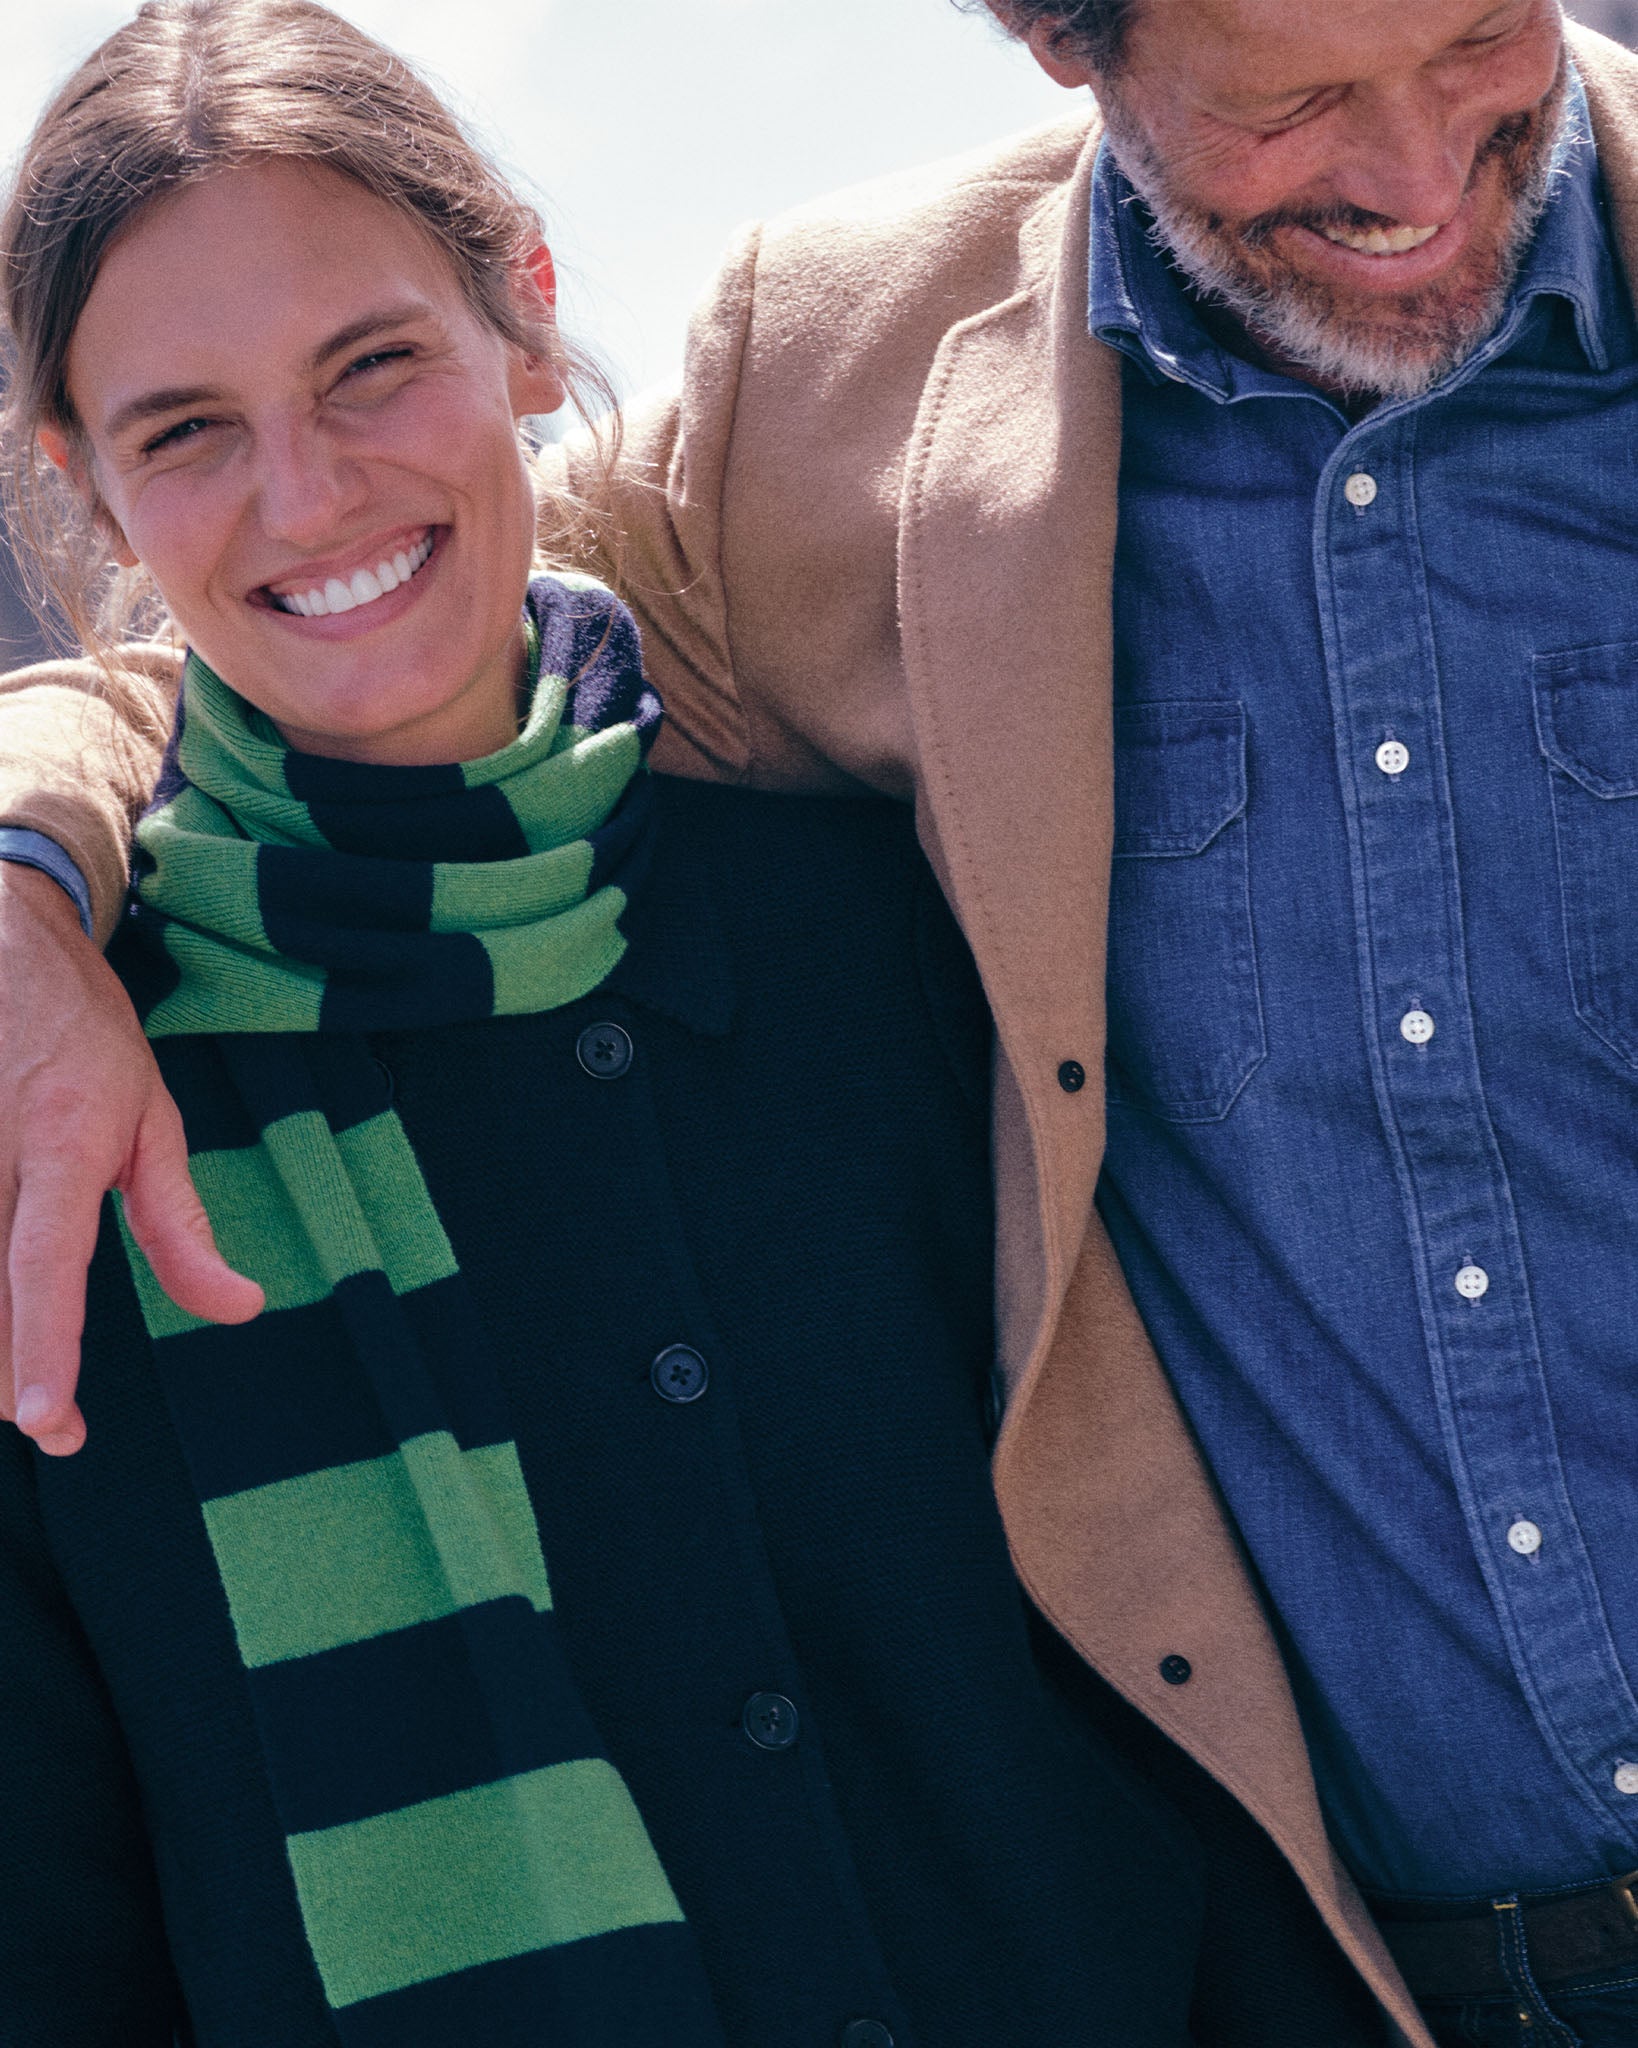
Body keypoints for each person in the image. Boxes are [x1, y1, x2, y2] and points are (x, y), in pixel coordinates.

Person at [9, 0, 1638, 2041]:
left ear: (525, 315)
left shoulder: (867, 927)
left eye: (370, 365)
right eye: (184, 429)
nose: (307, 484)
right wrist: (28, 875)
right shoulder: (62, 1101)